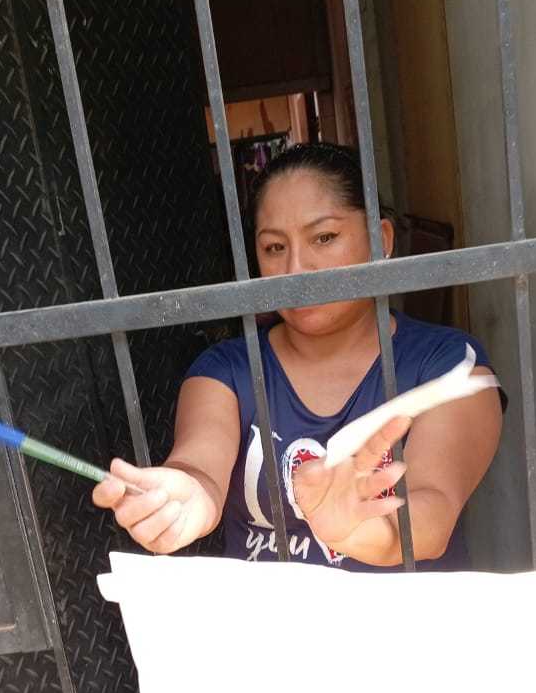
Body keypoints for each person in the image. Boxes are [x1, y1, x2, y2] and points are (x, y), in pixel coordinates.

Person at [93, 143, 503, 571]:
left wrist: (358, 532)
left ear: (380, 240)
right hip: (269, 616)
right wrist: (183, 500)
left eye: (324, 238)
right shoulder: (226, 371)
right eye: (274, 248)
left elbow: (433, 513)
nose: (296, 268)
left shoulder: (446, 366)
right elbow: (199, 470)